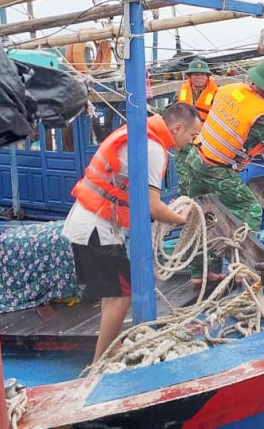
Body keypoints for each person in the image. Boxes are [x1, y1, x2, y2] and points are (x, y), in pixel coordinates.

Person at [62, 103, 202, 364]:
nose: (193, 143)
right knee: (122, 295)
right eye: (193, 136)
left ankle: (111, 348)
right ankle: (101, 359)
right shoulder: (152, 149)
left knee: (113, 292)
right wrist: (182, 218)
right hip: (96, 229)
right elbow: (153, 206)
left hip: (91, 223)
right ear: (177, 128)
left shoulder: (143, 135)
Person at [177, 60, 264, 285]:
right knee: (250, 209)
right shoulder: (263, 116)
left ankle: (201, 273)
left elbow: (232, 123)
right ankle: (244, 269)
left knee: (201, 216)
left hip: (194, 158)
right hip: (215, 168)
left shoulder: (227, 90)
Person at [177, 58, 219, 122]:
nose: (199, 77)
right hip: (185, 128)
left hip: (205, 129)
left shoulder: (216, 93)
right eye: (196, 74)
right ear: (190, 76)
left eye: (202, 74)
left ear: (207, 77)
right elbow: (173, 110)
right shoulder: (181, 91)